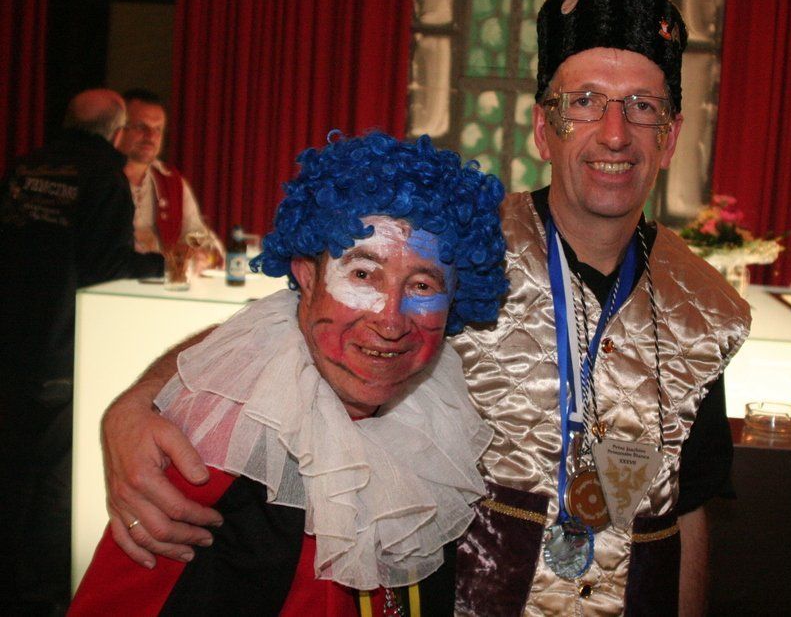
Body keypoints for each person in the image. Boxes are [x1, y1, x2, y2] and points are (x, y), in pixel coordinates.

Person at [100, 0, 751, 616]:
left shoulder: (706, 305)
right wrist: (135, 405)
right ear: (542, 126)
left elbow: (689, 505)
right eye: (584, 101)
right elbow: (284, 324)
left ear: (670, 135)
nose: (614, 133)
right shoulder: (449, 251)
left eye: (643, 106)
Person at [69, 131, 507, 614]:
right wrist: (135, 401)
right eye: (362, 274)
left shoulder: (442, 426)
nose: (390, 321)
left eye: (422, 285)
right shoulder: (217, 444)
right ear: (306, 275)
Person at [0, 88, 165, 615]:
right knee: (54, 480)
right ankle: (42, 594)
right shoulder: (103, 177)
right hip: (60, 345)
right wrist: (159, 265)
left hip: (14, 338)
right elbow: (105, 268)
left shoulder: (27, 167)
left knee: (13, 468)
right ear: (116, 131)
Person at [118, 88, 224, 265]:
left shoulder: (171, 181)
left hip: (159, 279)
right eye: (141, 127)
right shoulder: (98, 178)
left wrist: (202, 251)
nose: (151, 136)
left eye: (158, 129)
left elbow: (197, 234)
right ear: (119, 129)